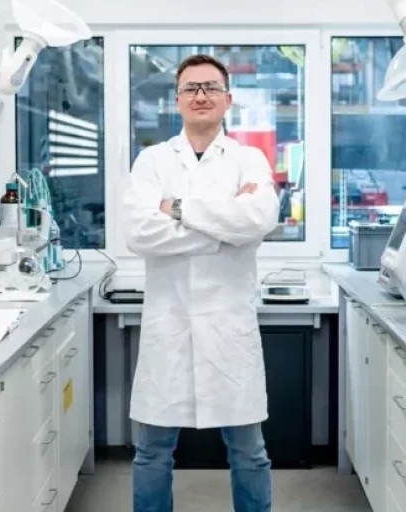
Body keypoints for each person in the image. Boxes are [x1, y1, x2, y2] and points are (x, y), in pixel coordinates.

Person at [122, 54, 280, 512]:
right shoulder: (152, 160)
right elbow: (138, 232)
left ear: (228, 99)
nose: (201, 96)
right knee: (151, 453)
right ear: (177, 100)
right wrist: (222, 233)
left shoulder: (248, 158)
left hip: (228, 331)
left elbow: (259, 217)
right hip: (168, 329)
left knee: (249, 453)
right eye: (191, 88)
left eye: (211, 87)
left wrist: (174, 208)